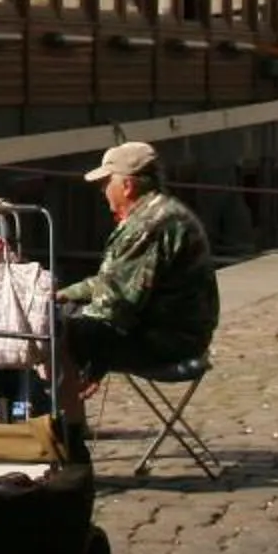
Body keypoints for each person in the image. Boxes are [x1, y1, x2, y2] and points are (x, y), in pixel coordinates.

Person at [59, 140, 221, 393]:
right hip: (179, 334)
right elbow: (115, 280)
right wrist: (65, 295)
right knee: (63, 315)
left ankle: (63, 423)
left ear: (127, 185)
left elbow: (114, 304)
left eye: (106, 183)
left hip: (168, 342)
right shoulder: (161, 212)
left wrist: (67, 321)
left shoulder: (147, 226)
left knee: (52, 332)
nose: (103, 191)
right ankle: (64, 415)